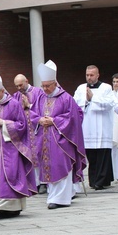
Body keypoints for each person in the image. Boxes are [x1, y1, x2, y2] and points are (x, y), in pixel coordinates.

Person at [31, 61, 87, 209]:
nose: (45, 89)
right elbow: (32, 114)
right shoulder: (40, 97)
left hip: (61, 139)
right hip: (44, 138)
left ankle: (61, 198)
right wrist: (39, 120)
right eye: (43, 86)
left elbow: (74, 116)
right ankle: (53, 196)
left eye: (47, 86)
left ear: (55, 83)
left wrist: (54, 121)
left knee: (60, 165)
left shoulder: (66, 98)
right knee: (48, 165)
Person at [0, 70, 35, 219]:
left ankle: (11, 207)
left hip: (9, 148)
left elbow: (21, 125)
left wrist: (3, 123)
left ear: (1, 90)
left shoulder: (13, 104)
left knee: (10, 175)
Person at [73, 65, 116, 190]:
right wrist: (86, 101)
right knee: (91, 155)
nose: (89, 77)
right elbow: (75, 104)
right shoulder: (81, 88)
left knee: (102, 155)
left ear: (98, 75)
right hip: (87, 127)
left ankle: (101, 181)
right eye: (87, 75)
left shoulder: (106, 87)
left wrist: (93, 98)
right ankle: (93, 180)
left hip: (102, 127)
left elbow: (109, 104)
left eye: (92, 75)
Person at [14, 73, 44, 193]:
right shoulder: (16, 96)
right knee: (29, 154)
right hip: (25, 130)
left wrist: (29, 105)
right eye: (16, 86)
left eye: (20, 85)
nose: (19, 88)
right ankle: (33, 182)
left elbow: (43, 109)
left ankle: (43, 182)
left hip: (37, 129)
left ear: (26, 81)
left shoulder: (38, 93)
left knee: (40, 154)